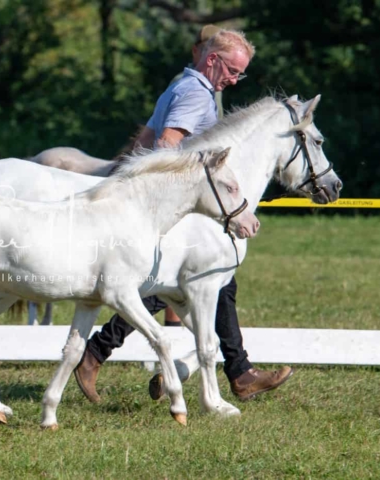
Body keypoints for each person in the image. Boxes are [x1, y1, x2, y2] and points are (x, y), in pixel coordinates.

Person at [74, 26, 293, 404]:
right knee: (185, 281)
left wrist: (125, 174)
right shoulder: (195, 93)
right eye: (232, 71)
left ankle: (239, 372)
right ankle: (96, 352)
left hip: (170, 200)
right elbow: (166, 145)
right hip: (175, 205)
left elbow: (146, 140)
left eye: (240, 73)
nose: (235, 80)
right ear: (212, 60)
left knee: (216, 281)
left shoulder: (185, 87)